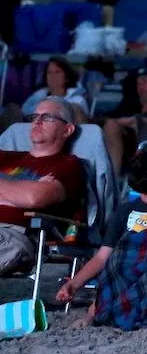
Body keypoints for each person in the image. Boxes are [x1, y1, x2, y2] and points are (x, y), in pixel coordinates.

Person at [55, 148, 147, 306]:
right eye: (141, 192)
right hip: (129, 272)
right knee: (117, 262)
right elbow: (102, 257)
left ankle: (103, 310)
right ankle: (99, 309)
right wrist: (74, 284)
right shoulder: (125, 211)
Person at [0, 98, 84, 275]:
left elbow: (34, 198)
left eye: (47, 117)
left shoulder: (68, 165)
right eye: (35, 116)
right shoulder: (6, 157)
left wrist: (20, 195)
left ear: (67, 129)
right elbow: (27, 196)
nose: (37, 122)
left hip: (14, 236)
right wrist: (18, 194)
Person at [19, 56, 90, 120]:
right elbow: (24, 111)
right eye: (49, 72)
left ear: (67, 78)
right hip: (35, 130)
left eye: (57, 72)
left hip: (65, 132)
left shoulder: (77, 99)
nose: (52, 76)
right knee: (12, 108)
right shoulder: (38, 96)